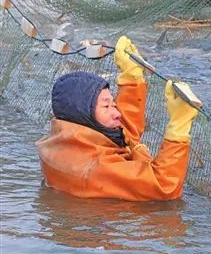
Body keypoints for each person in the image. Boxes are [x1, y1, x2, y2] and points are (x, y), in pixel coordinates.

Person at [36, 36, 198, 201]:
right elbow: (164, 187)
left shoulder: (66, 139)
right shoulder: (97, 167)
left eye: (113, 104)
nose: (117, 113)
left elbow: (122, 133)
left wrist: (131, 80)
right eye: (106, 107)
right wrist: (178, 128)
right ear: (84, 115)